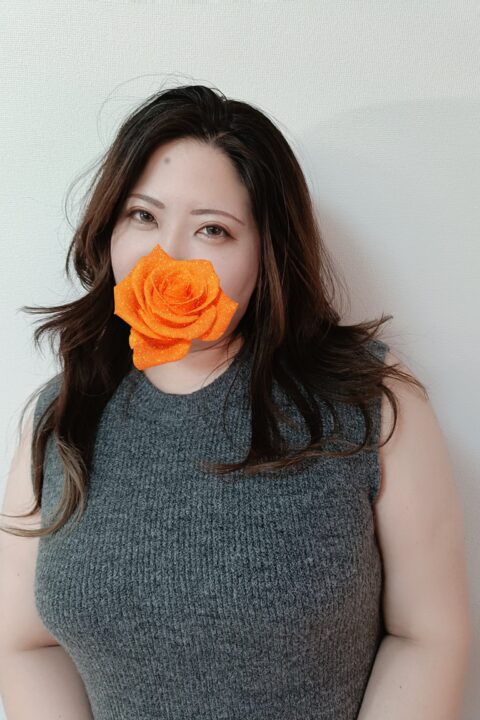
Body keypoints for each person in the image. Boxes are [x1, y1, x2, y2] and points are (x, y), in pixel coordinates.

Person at [0, 84, 471, 720]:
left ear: (265, 254)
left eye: (213, 229)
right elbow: (26, 643)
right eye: (143, 216)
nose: (167, 255)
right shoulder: (59, 414)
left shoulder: (371, 401)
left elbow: (428, 635)